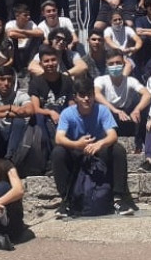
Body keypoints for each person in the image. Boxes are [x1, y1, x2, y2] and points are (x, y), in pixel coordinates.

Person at [51, 75, 140, 218]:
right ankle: (66, 200)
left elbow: (112, 135)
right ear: (75, 97)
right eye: (82, 95)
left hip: (98, 151)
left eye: (90, 95)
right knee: (58, 152)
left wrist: (99, 144)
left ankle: (118, 198)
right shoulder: (67, 113)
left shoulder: (102, 110)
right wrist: (77, 144)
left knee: (118, 150)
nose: (87, 99)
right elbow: (59, 138)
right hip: (77, 152)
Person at [94, 50, 151, 155]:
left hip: (127, 115)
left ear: (123, 64)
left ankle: (139, 144)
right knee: (100, 108)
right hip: (109, 114)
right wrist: (115, 110)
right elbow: (96, 94)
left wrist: (137, 110)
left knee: (142, 104)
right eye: (111, 64)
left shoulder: (130, 81)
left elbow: (147, 94)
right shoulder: (101, 80)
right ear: (106, 65)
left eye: (118, 63)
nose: (115, 66)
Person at [0, 64, 33, 160]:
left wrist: (3, 114)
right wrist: (10, 107)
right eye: (2, 79)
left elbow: (29, 110)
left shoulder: (21, 95)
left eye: (9, 80)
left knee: (19, 121)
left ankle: (10, 158)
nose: (6, 83)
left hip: (17, 138)